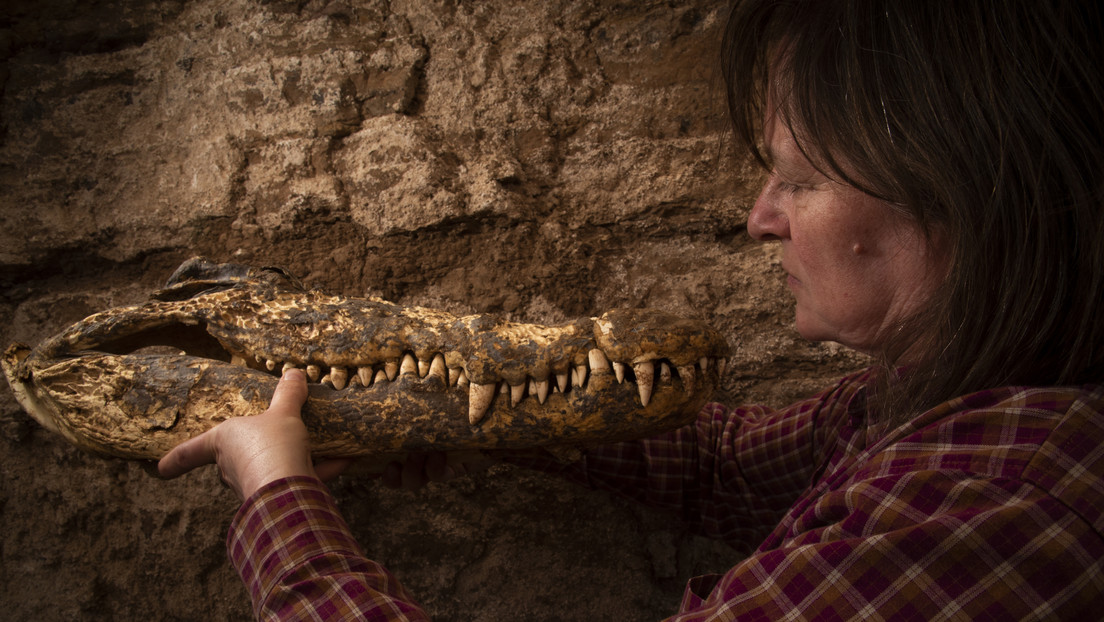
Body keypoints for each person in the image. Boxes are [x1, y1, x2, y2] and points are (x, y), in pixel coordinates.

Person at [158, 0, 1104, 619]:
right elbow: (725, 465)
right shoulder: (933, 401)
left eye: (799, 180)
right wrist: (472, 415)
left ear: (956, 197)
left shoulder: (999, 503)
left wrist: (279, 502)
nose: (760, 219)